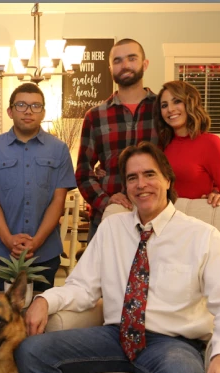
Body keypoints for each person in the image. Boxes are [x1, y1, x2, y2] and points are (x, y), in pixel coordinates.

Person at [15, 142, 220, 373]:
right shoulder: (111, 228)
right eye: (132, 178)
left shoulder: (202, 236)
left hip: (172, 343)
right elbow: (82, 287)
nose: (141, 184)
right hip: (114, 335)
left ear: (168, 179)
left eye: (149, 174)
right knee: (31, 352)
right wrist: (45, 300)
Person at [0, 83, 77, 293]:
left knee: (41, 310)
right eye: (21, 105)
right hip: (4, 255)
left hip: (45, 253)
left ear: (43, 113)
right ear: (10, 111)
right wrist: (8, 240)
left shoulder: (59, 149)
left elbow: (58, 201)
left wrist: (37, 241)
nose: (28, 111)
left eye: (35, 106)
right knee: (3, 311)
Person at [75, 38, 158, 242]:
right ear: (110, 68)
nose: (125, 65)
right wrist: (107, 201)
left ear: (145, 64)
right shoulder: (95, 116)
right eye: (118, 60)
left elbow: (183, 156)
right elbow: (83, 173)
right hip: (107, 219)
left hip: (156, 218)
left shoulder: (162, 110)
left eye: (132, 58)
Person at [155, 80, 220, 206]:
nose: (170, 109)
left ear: (190, 104)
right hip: (164, 215)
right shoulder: (162, 145)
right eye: (164, 105)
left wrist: (217, 195)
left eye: (177, 101)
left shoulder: (210, 143)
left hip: (197, 216)